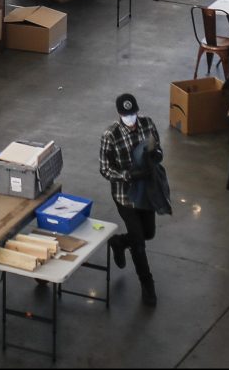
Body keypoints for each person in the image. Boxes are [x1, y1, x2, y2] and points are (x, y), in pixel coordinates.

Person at [98, 93, 165, 307]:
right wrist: (127, 175)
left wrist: (154, 158)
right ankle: (147, 285)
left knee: (148, 233)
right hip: (124, 195)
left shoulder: (148, 124)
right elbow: (105, 169)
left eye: (133, 113)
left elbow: (158, 148)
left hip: (146, 191)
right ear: (119, 114)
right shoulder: (110, 135)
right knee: (139, 243)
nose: (131, 118)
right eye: (126, 115)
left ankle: (118, 242)